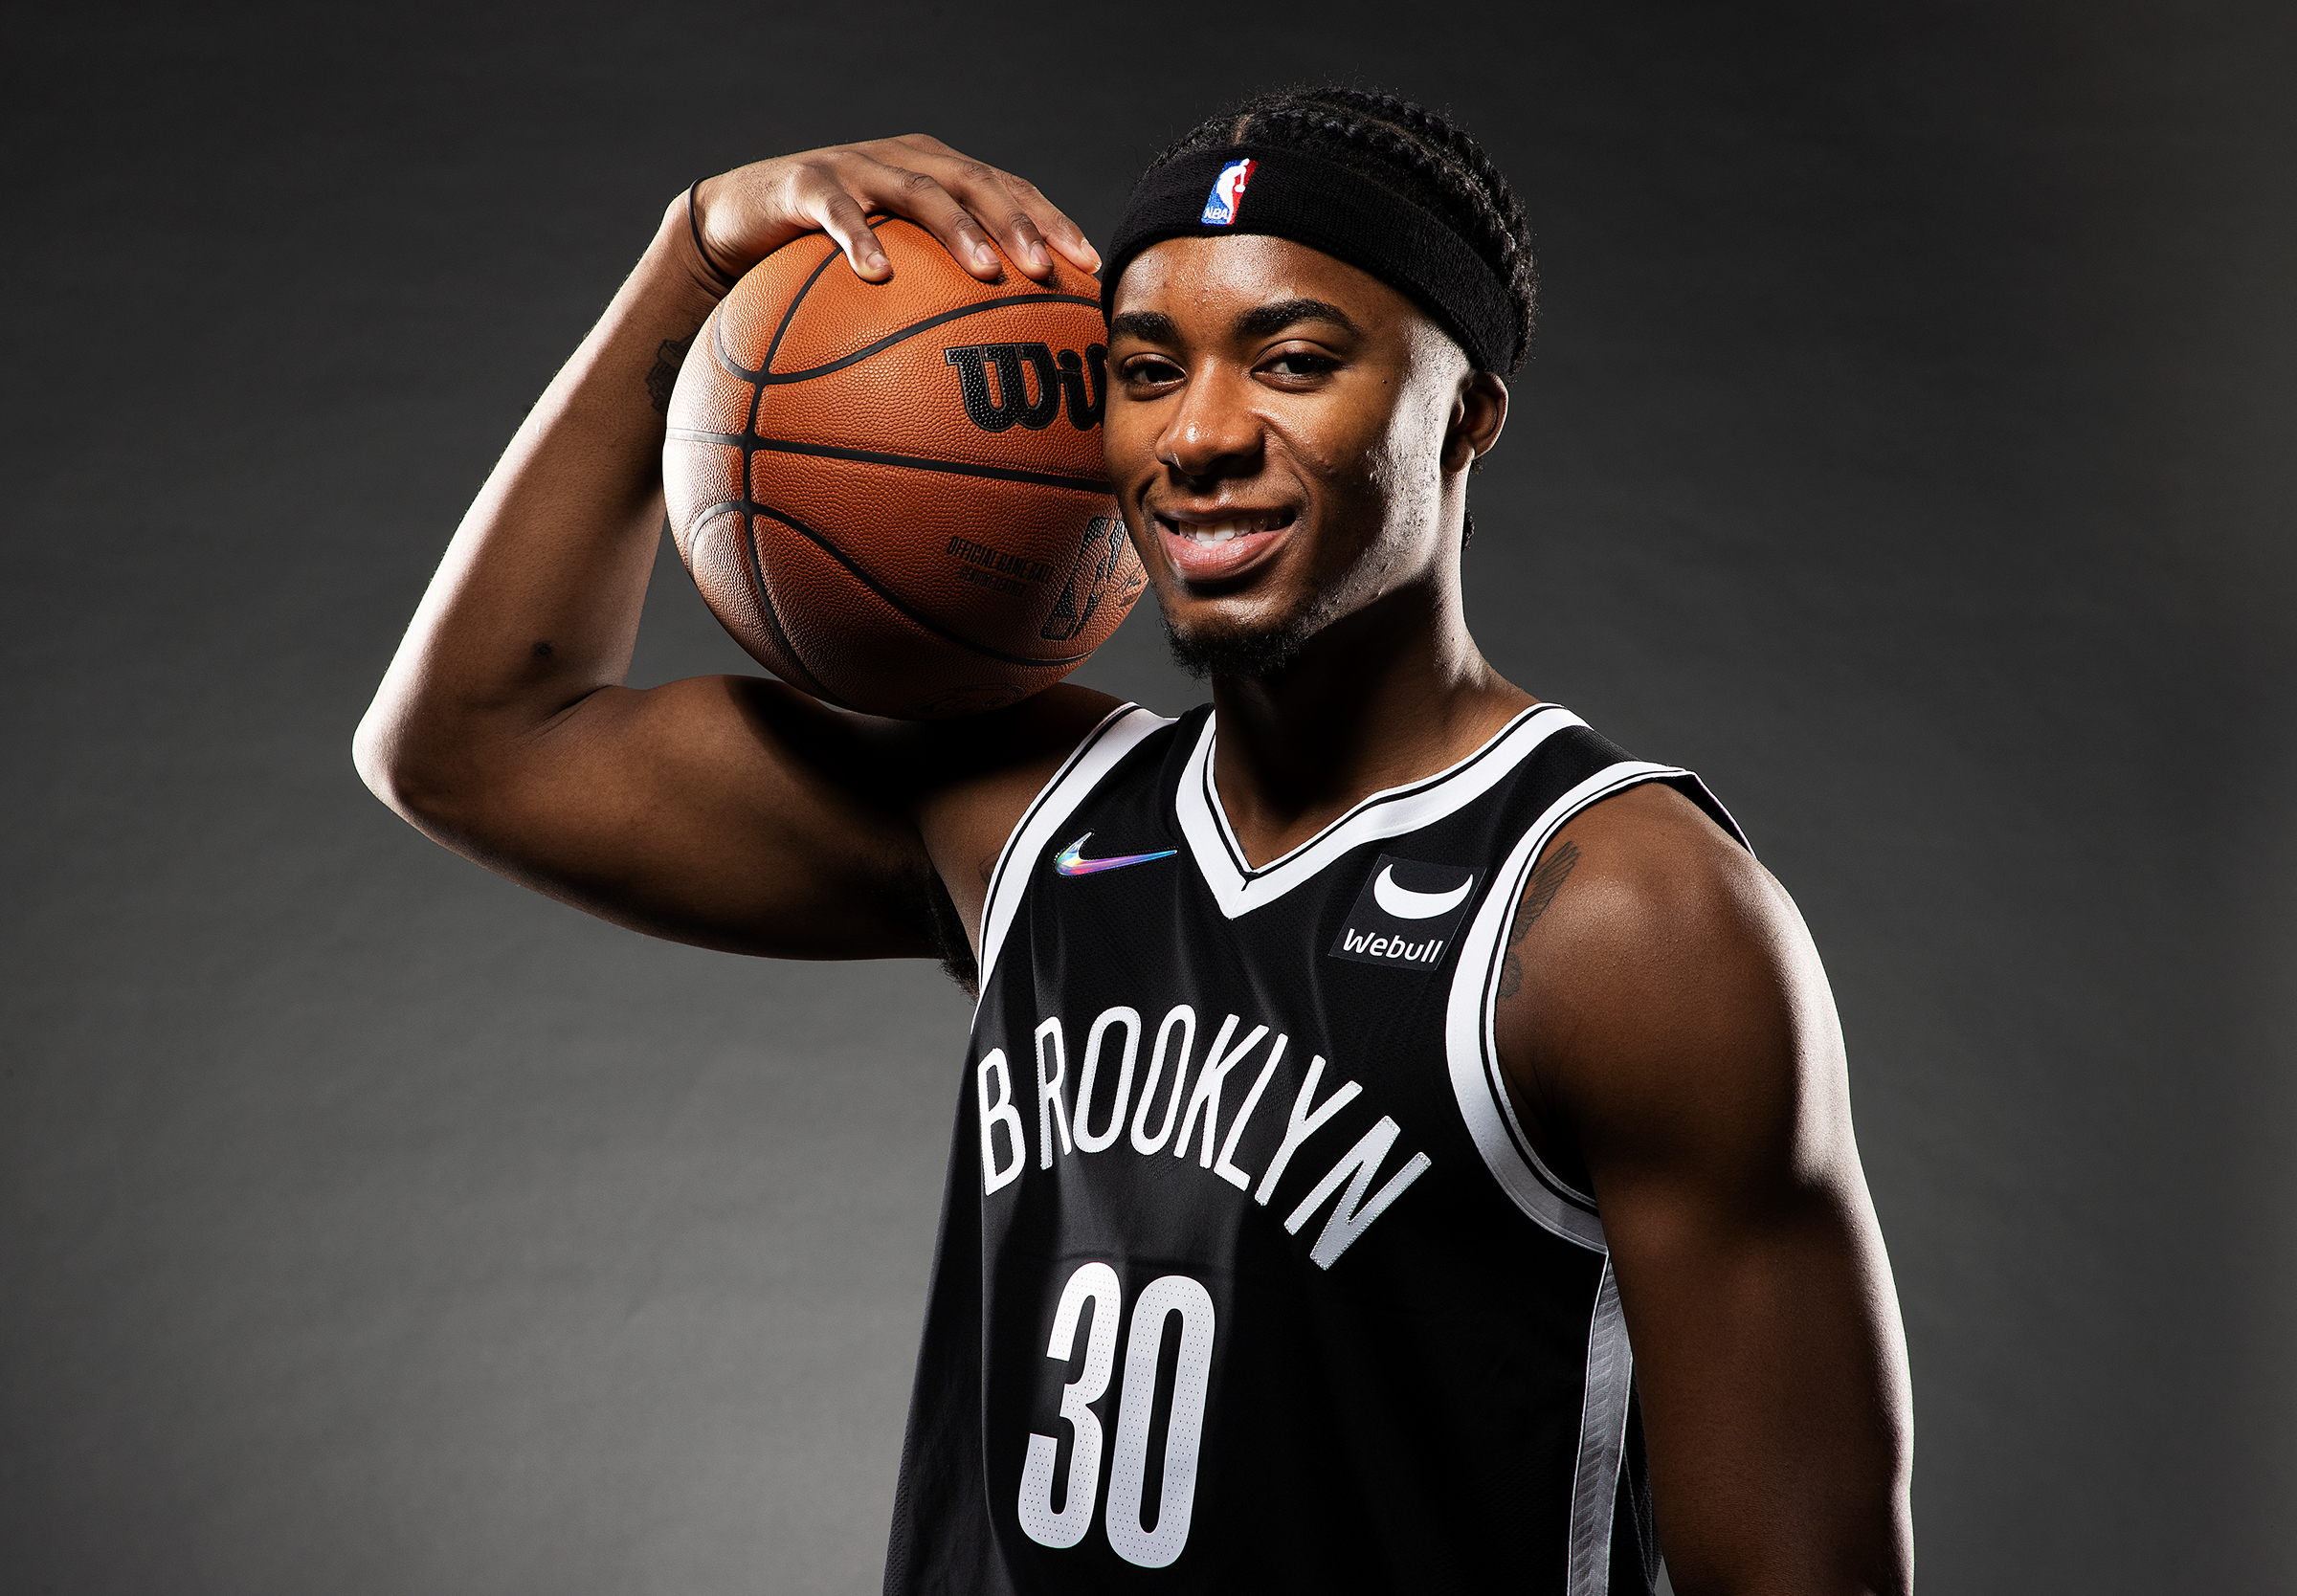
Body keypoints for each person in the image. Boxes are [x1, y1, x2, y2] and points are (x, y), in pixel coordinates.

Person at [357, 87, 1912, 1596]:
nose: (1201, 437)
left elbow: (1803, 1573)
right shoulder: (1027, 818)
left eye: (1294, 361)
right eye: (1148, 370)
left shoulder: (1619, 913)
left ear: (1467, 416)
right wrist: (694, 254)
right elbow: (473, 744)